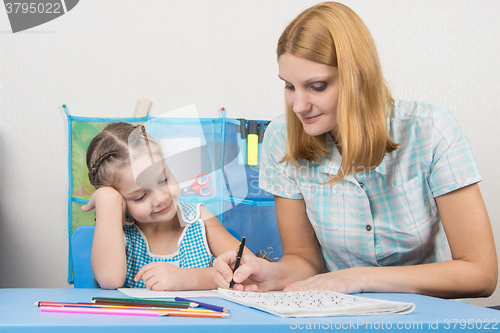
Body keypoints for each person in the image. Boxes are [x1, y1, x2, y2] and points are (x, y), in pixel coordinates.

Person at [213, 1, 497, 299]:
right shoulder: (280, 138)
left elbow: (480, 273)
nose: (298, 106)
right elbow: (304, 259)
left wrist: (359, 278)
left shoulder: (431, 130)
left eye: (317, 86)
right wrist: (268, 272)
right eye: (289, 86)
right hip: (338, 313)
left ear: (357, 79)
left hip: (423, 315)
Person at [82, 122, 250, 290]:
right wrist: (107, 198)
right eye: (140, 196)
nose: (162, 197)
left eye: (163, 179)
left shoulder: (199, 219)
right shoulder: (118, 233)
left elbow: (252, 271)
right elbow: (109, 281)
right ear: (120, 201)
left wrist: (188, 278)